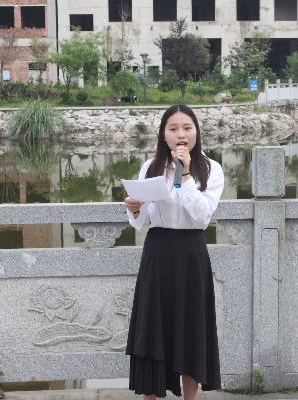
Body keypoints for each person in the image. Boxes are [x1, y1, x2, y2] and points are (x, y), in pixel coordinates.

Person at [124, 104, 224, 399]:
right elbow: (142, 221)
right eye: (173, 128)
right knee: (153, 326)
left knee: (191, 329)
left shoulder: (211, 169)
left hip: (191, 253)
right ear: (163, 134)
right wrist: (135, 208)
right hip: (158, 252)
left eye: (187, 128)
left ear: (196, 132)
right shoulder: (151, 167)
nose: (181, 134)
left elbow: (202, 216)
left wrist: (187, 174)